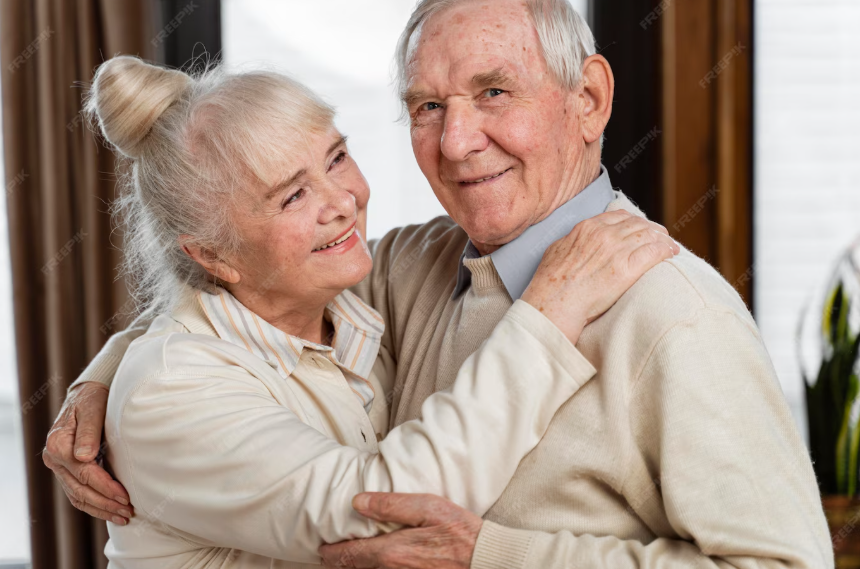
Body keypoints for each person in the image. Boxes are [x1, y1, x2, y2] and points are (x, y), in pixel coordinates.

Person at [46, 0, 833, 569]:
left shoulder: (675, 315)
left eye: (494, 92)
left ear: (589, 99)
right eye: (427, 106)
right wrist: (108, 380)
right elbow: (258, 297)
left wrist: (492, 556)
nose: (456, 143)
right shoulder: (412, 267)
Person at [53, 54, 672, 567]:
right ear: (213, 254)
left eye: (337, 158)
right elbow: (388, 512)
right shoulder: (170, 390)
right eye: (293, 196)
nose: (343, 203)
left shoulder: (350, 291)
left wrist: (104, 369)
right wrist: (548, 314)